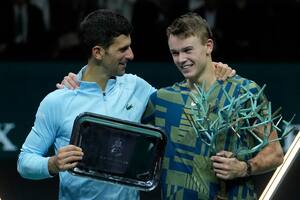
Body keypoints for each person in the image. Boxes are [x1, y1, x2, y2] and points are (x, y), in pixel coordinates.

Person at [17, 9, 234, 200]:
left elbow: (180, 100)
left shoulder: (136, 87)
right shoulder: (57, 101)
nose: (131, 55)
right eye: (122, 49)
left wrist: (212, 70)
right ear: (98, 52)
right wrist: (52, 164)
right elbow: (25, 161)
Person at [141, 12, 284, 199]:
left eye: (188, 50)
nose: (181, 59)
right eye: (175, 53)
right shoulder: (161, 100)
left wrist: (243, 168)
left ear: (208, 46)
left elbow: (275, 153)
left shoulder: (243, 92)